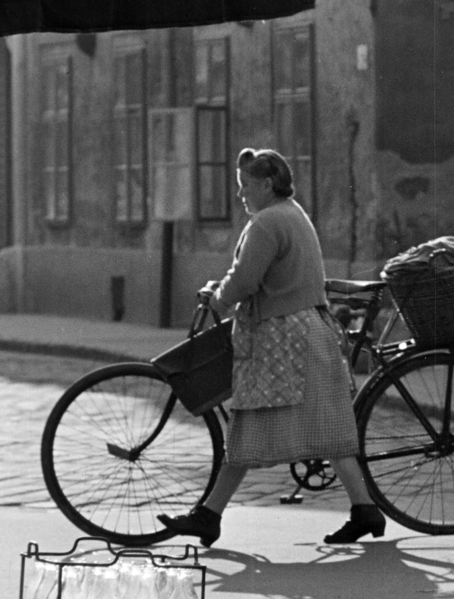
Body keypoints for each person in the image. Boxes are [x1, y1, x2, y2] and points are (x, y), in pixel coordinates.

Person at [158, 147, 385, 549]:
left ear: (266, 184)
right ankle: (364, 509)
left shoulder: (266, 223)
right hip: (310, 331)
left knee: (250, 427)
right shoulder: (292, 213)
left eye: (246, 185)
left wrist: (217, 298)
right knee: (328, 427)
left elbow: (245, 278)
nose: (241, 194)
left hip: (284, 339)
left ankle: (208, 516)